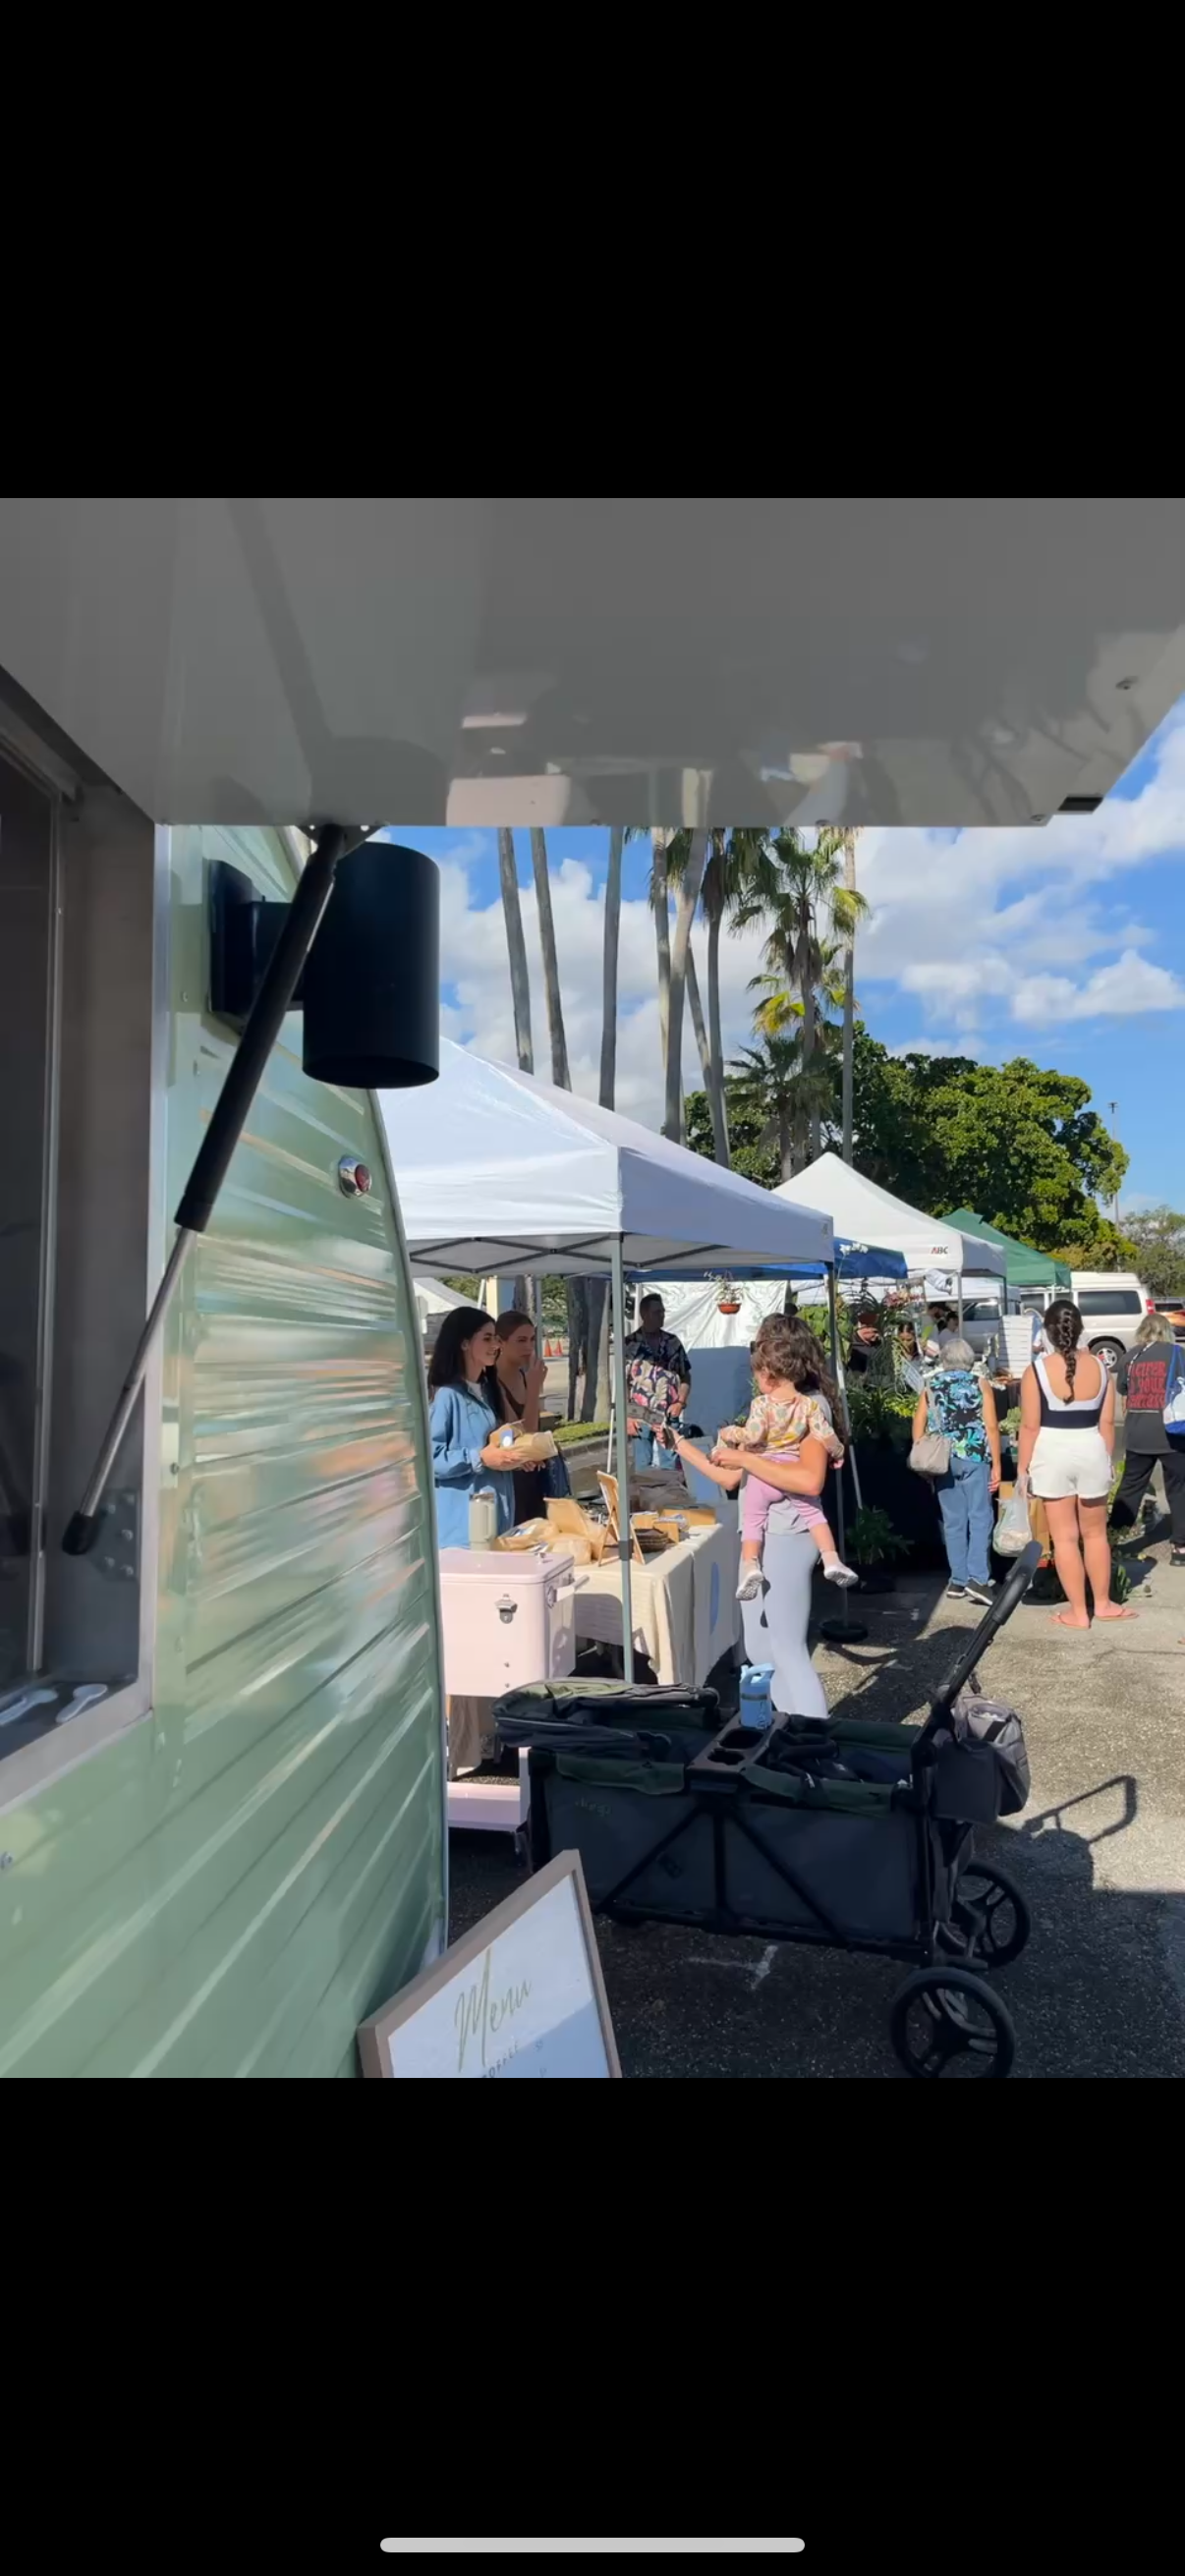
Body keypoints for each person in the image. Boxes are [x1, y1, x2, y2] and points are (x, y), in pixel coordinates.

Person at [671, 1413, 834, 1721]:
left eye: (761, 1372)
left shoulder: (808, 1407)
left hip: (786, 1537)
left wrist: (746, 1458)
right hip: (759, 1541)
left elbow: (811, 1481)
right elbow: (730, 1478)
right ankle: (785, 1726)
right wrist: (680, 1444)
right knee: (759, 1649)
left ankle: (815, 1736)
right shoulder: (768, 1408)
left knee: (788, 1650)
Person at [714, 1314, 856, 1599]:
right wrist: (838, 1451)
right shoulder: (806, 1405)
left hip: (783, 1532)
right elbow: (828, 1437)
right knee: (814, 1516)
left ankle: (749, 1564)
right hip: (782, 1527)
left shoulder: (784, 1404)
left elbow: (811, 1482)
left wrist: (735, 1442)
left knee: (783, 1638)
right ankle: (831, 1558)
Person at [1016, 1297, 1133, 1629]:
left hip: (1051, 1451)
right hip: (1092, 1447)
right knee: (1095, 1535)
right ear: (1079, 1329)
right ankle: (1105, 1603)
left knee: (1064, 1538)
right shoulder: (1100, 1367)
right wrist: (1107, 1459)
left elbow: (1029, 1426)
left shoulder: (1036, 1370)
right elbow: (1108, 1423)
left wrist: (1023, 1469)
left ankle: (1078, 1612)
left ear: (1049, 1334)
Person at [913, 1333, 1001, 1606]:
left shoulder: (930, 1385)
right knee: (980, 1517)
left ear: (944, 1359)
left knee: (953, 1521)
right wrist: (997, 1464)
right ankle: (978, 1577)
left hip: (943, 1459)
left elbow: (918, 1424)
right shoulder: (979, 1383)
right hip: (974, 1455)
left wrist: (921, 1451)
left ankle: (957, 1580)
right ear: (968, 1360)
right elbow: (991, 1426)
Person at [427, 1307, 515, 1546]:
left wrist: (518, 1453)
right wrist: (480, 1458)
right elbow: (430, 1461)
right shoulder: (447, 1396)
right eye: (486, 1338)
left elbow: (493, 1444)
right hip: (461, 1531)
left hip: (495, 1522)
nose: (495, 1345)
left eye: (496, 1338)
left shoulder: (488, 1390)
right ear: (464, 1343)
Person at [1112, 1315, 1185, 1567]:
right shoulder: (1177, 1354)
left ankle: (1113, 1540)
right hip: (1172, 1432)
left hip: (1138, 1433)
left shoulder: (1130, 1357)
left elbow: (1124, 1396)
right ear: (1166, 1331)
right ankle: (1180, 1548)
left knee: (1130, 1488)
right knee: (1178, 1488)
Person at [489, 1309, 553, 1525]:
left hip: (531, 1478)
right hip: (509, 1480)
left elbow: (533, 1433)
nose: (528, 1347)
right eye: (521, 1340)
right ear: (501, 1342)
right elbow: (522, 1433)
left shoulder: (524, 1376)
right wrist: (534, 1388)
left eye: (532, 1340)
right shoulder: (493, 1383)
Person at [624, 1293, 691, 1467]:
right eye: (657, 1312)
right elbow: (622, 1383)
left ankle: (670, 1494)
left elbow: (686, 1375)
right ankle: (645, 1495)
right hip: (639, 1415)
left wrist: (680, 1402)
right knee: (642, 1466)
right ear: (644, 1315)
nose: (662, 1316)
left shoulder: (673, 1342)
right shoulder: (630, 1344)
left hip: (668, 1413)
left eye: (662, 1312)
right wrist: (626, 1417)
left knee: (671, 1464)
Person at [846, 1304, 886, 1378]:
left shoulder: (879, 1345)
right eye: (875, 1332)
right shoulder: (853, 1349)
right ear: (864, 1327)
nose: (877, 1335)